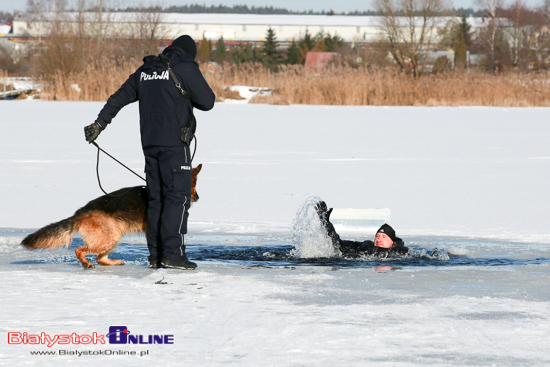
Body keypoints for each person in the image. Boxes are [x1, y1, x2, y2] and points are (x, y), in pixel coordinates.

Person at [84, 35, 215, 270]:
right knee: (177, 199)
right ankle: (173, 255)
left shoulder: (146, 70)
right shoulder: (185, 67)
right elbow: (207, 101)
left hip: (149, 146)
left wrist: (99, 125)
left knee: (157, 201)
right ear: (189, 53)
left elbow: (119, 98)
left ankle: (156, 256)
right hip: (175, 145)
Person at [315, 201, 408, 256]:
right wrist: (326, 223)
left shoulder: (401, 254)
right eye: (377, 236)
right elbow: (339, 244)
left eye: (384, 237)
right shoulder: (366, 246)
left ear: (392, 242)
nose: (379, 239)